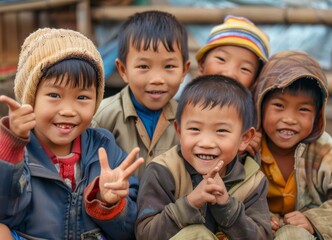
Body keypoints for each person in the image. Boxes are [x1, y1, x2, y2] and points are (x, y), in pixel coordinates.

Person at [0, 28, 144, 240]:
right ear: (31, 99)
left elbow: (129, 230)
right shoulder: (18, 151)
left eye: (83, 97)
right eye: (54, 95)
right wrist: (12, 148)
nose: (68, 110)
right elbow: (5, 211)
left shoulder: (104, 148)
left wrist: (109, 202)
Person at [136, 75, 272, 240]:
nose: (206, 143)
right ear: (179, 131)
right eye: (194, 129)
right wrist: (190, 204)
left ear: (244, 139)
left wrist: (227, 207)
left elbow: (263, 236)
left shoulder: (252, 181)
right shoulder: (163, 170)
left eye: (221, 131)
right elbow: (145, 234)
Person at [254, 50, 332, 239]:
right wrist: (260, 218)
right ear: (260, 105)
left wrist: (313, 220)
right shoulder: (250, 146)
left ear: (318, 115)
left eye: (303, 109)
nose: (289, 119)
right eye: (279, 105)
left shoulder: (321, 148)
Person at [92, 10, 190, 178]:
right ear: (123, 70)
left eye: (169, 67)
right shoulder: (101, 116)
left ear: (184, 71)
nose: (157, 79)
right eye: (144, 67)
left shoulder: (188, 118)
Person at [196, 15, 270, 157]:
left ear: (254, 81)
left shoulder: (254, 119)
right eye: (221, 59)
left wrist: (246, 142)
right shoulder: (185, 105)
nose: (230, 73)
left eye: (245, 69)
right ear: (201, 65)